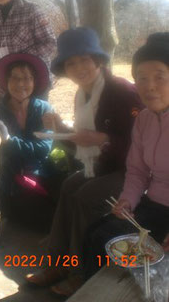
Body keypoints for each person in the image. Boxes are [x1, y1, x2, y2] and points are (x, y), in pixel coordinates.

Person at [25, 27, 143, 297]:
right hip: (103, 166)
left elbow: (141, 145)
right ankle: (57, 263)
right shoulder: (82, 96)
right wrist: (59, 127)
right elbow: (81, 141)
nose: (78, 67)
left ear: (98, 60)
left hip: (133, 170)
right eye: (71, 63)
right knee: (69, 186)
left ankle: (82, 272)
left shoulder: (123, 92)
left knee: (87, 195)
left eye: (84, 59)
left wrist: (104, 138)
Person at [84, 32, 169, 278]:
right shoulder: (143, 119)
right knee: (98, 234)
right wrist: (127, 201)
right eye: (141, 78)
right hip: (153, 205)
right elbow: (137, 170)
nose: (149, 86)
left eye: (159, 77)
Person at [0, 53, 54, 220]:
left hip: (40, 175)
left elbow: (44, 149)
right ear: (7, 81)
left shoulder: (44, 109)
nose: (20, 84)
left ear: (34, 82)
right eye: (15, 78)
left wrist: (10, 142)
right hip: (7, 179)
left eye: (27, 78)